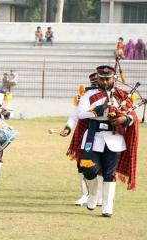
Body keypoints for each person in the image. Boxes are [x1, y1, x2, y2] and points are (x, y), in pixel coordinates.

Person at [70, 65, 139, 217]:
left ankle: (107, 207)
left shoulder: (122, 95)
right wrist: (98, 110)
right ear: (98, 79)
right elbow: (80, 114)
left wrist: (123, 118)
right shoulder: (89, 95)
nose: (106, 82)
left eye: (108, 79)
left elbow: (132, 117)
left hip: (114, 138)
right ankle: (93, 194)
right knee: (89, 169)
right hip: (93, 136)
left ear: (113, 79)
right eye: (102, 79)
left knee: (110, 174)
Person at [61, 73, 103, 207]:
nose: (96, 86)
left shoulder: (111, 96)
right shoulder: (84, 96)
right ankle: (85, 195)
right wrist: (67, 128)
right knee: (82, 164)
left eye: (99, 82)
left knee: (102, 167)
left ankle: (100, 197)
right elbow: (74, 116)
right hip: (83, 134)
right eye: (94, 83)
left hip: (103, 134)